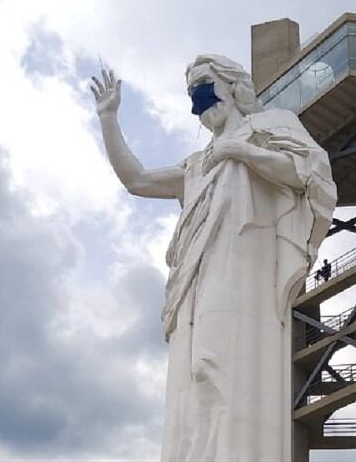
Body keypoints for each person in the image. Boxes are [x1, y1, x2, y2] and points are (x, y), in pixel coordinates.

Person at [90, 55, 336, 461]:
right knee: (188, 386)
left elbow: (305, 174)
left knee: (219, 364)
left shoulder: (272, 126)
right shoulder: (197, 163)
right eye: (191, 94)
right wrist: (108, 120)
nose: (198, 100)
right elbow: (138, 180)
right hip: (195, 275)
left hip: (244, 265)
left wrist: (241, 151)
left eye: (204, 86)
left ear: (235, 86)